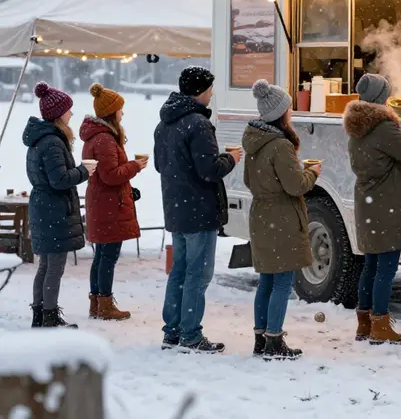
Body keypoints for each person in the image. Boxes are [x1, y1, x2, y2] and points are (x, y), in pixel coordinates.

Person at [153, 66, 241, 353]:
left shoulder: (164, 123)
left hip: (176, 208)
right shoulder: (198, 124)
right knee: (198, 274)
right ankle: (190, 334)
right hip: (199, 209)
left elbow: (159, 165)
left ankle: (173, 331)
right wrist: (231, 158)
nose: (212, 94)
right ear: (200, 91)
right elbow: (209, 170)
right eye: (210, 89)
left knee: (179, 271)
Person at [342, 73, 401, 344]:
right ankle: (381, 325)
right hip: (386, 204)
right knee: (386, 270)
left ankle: (364, 323)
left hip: (368, 204)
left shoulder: (357, 126)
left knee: (371, 265)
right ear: (381, 98)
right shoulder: (383, 127)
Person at [243, 79, 320, 360]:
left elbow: (248, 181)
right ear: (281, 114)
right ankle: (275, 341)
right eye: (288, 109)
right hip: (283, 218)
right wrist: (313, 173)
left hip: (262, 215)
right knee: (282, 282)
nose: (291, 113)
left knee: (267, 281)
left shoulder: (254, 141)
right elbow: (295, 185)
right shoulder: (280, 146)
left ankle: (261, 338)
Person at [24, 82, 97, 329]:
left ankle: (40, 314)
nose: (72, 114)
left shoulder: (40, 139)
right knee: (54, 267)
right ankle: (49, 317)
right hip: (53, 209)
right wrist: (83, 171)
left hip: (44, 207)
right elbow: (60, 180)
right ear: (58, 114)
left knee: (45, 265)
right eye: (68, 110)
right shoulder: (52, 142)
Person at [81, 83, 147, 321]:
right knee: (108, 255)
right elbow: (110, 176)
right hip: (109, 205)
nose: (123, 113)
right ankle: (105, 304)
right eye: (120, 109)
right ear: (111, 112)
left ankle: (97, 303)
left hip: (103, 202)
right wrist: (135, 167)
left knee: (101, 255)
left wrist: (129, 188)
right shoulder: (105, 140)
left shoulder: (97, 137)